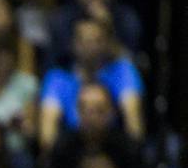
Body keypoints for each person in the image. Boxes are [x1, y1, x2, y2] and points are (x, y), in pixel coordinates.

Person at [39, 18, 143, 150]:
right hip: (72, 148)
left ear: (107, 43)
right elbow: (48, 132)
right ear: (73, 44)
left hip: (113, 147)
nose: (90, 46)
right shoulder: (57, 77)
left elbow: (133, 124)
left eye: (97, 40)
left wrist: (133, 154)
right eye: (84, 41)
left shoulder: (123, 70)